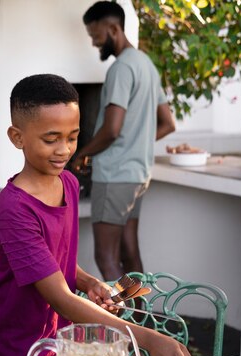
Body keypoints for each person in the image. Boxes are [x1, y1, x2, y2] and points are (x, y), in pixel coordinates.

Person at [0, 73, 193, 356]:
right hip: (16, 351)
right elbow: (59, 296)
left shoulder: (69, 184)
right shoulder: (14, 210)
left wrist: (88, 281)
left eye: (73, 136)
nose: (64, 149)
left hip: (60, 344)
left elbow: (54, 260)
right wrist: (147, 339)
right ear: (17, 137)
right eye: (51, 138)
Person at [72, 1, 176, 282]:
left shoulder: (120, 69)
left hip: (116, 176)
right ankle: (142, 320)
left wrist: (82, 154)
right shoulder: (146, 65)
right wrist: (137, 142)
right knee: (130, 253)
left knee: (105, 257)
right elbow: (168, 123)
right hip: (139, 176)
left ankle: (123, 324)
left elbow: (111, 129)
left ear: (113, 28)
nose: (95, 44)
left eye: (96, 36)